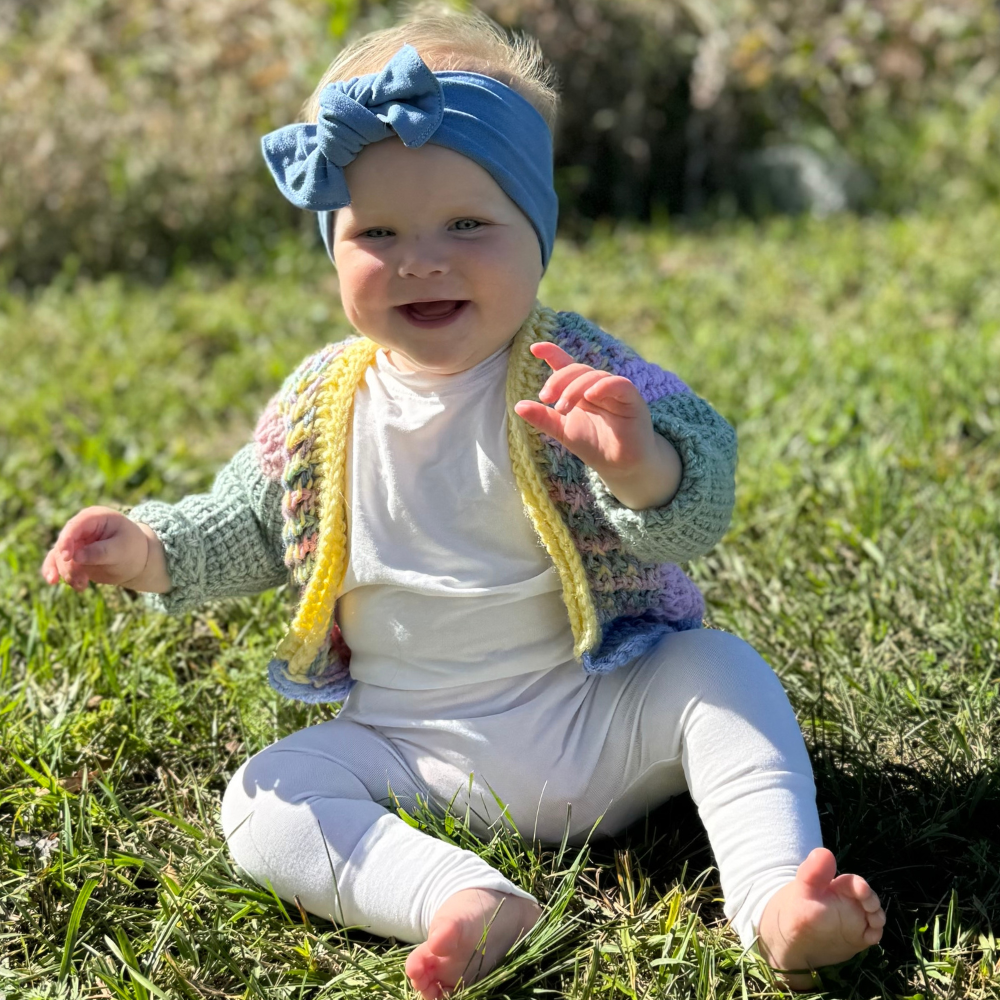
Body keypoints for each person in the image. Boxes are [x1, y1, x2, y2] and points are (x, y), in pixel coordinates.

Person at [40, 6, 885, 996]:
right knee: (266, 795)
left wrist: (637, 462)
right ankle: (460, 896)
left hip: (596, 715)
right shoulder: (321, 404)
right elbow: (250, 520)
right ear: (332, 245)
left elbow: (698, 503)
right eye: (377, 232)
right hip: (411, 746)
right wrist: (147, 548)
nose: (421, 258)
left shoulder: (577, 369)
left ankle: (774, 900)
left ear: (538, 231)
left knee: (720, 674)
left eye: (467, 225)